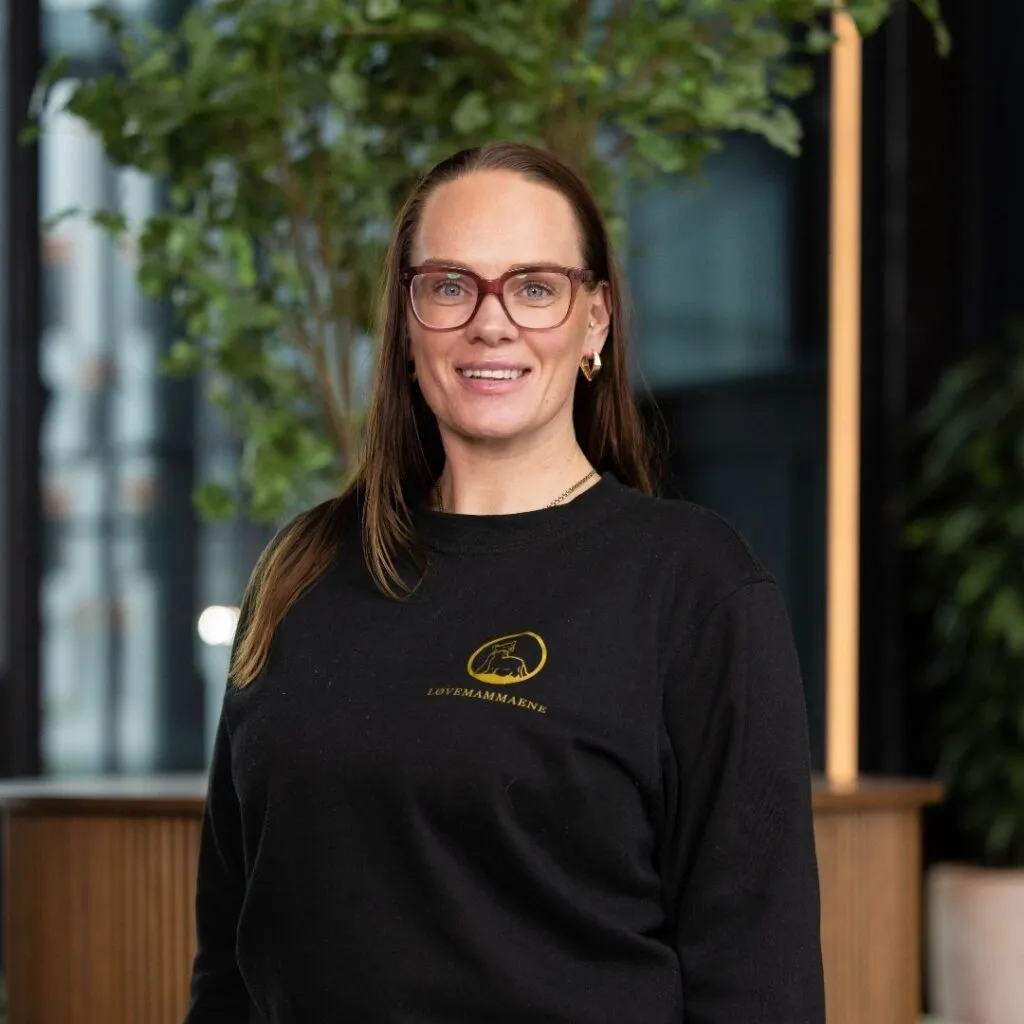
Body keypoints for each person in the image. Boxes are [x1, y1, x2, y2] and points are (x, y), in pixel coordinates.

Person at [185, 141, 825, 1023]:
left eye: (535, 287)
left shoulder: (693, 586)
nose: (491, 323)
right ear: (406, 320)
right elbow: (230, 958)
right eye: (451, 285)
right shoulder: (304, 569)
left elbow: (759, 979)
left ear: (594, 320)